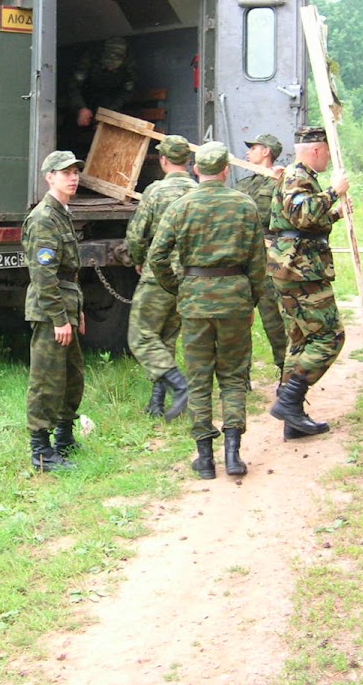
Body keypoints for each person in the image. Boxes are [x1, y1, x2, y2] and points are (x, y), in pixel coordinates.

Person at [148, 142, 267, 479]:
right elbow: (258, 262)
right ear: (226, 170)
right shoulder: (245, 206)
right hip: (235, 301)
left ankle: (204, 459)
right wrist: (251, 298)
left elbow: (157, 256)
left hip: (195, 300)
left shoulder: (181, 206)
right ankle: (233, 455)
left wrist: (178, 287)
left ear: (196, 169)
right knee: (232, 378)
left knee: (199, 380)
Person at [267, 126, 348, 439]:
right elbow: (302, 215)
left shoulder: (297, 176)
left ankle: (293, 418)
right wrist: (333, 192)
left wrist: (336, 214)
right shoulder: (296, 176)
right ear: (316, 150)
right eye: (327, 151)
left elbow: (302, 222)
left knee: (300, 339)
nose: (328, 157)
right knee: (330, 336)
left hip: (294, 268)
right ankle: (289, 401)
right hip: (302, 271)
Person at [23, 150, 87, 472]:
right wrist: (60, 318)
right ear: (50, 177)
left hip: (66, 305)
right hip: (51, 312)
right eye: (65, 172)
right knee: (46, 380)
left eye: (75, 171)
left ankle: (64, 438)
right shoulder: (44, 217)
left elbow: (68, 273)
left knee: (72, 377)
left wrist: (78, 311)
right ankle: (41, 452)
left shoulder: (62, 213)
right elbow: (44, 276)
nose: (73, 177)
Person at [124, 135, 197, 419]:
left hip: (160, 273)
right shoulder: (198, 191)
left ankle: (181, 387)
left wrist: (139, 260)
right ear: (188, 162)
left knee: (141, 336)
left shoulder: (155, 192)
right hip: (189, 276)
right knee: (166, 338)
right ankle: (156, 404)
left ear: (163, 161)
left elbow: (136, 234)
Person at [232, 133, 289, 377]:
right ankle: (240, 376)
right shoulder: (245, 184)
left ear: (266, 151)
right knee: (239, 319)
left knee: (273, 319)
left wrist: (285, 179)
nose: (248, 152)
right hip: (242, 259)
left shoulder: (282, 181)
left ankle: (285, 370)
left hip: (267, 258)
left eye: (253, 148)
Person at [61, 36, 138, 130]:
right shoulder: (90, 59)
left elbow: (126, 93)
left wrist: (109, 114)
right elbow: (74, 86)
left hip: (110, 101)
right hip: (86, 96)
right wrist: (81, 108)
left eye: (114, 65)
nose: (110, 68)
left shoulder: (129, 67)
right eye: (107, 63)